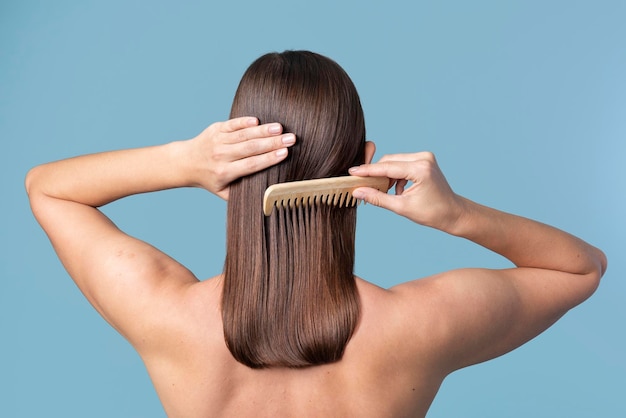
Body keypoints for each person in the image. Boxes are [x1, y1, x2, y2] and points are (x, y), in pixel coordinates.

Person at [26, 50, 606, 417]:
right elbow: (580, 267)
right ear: (365, 160)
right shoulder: (420, 325)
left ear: (232, 163)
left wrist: (182, 161)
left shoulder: (166, 315)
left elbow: (47, 188)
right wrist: (457, 215)